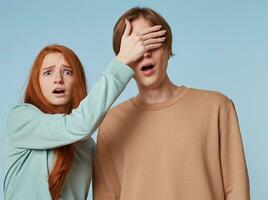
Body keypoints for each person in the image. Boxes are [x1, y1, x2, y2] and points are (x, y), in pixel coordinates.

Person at [93, 7, 250, 200]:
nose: (145, 53)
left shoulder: (217, 108)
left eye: (152, 42)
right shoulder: (112, 122)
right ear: (123, 59)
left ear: (168, 48)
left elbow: (237, 190)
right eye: (135, 47)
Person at [2, 24, 167, 200]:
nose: (58, 79)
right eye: (48, 73)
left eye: (67, 72)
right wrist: (122, 62)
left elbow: (115, 185)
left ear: (77, 81)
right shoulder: (20, 118)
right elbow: (79, 125)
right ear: (37, 82)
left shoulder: (86, 146)